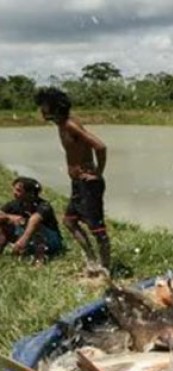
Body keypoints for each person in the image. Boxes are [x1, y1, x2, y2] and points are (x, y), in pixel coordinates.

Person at [33, 86, 112, 274]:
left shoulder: (70, 125)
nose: (41, 110)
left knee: (97, 229)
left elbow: (100, 147)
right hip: (78, 183)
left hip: (89, 184)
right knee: (70, 221)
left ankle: (106, 268)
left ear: (55, 107)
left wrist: (97, 173)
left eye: (44, 106)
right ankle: (92, 261)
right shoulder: (62, 125)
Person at [0, 176, 65, 264]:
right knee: (4, 222)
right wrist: (10, 217)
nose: (14, 193)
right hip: (30, 241)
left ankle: (39, 259)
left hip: (51, 243)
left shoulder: (44, 206)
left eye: (19, 191)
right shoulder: (15, 204)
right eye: (14, 189)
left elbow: (35, 219)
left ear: (30, 193)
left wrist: (23, 240)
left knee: (33, 224)